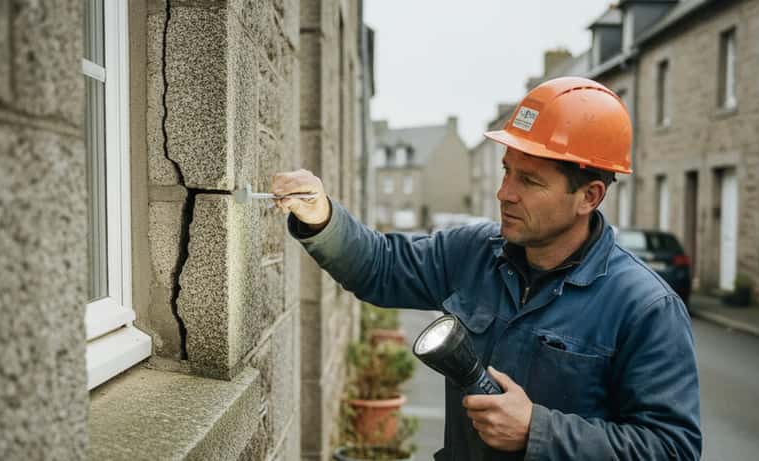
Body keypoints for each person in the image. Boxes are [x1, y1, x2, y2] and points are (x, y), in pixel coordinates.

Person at [272, 77, 701, 460]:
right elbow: (381, 267)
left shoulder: (645, 307)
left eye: (529, 181)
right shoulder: (472, 252)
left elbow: (671, 447)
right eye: (507, 172)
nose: (504, 193)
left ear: (589, 197)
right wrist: (323, 217)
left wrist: (538, 431)